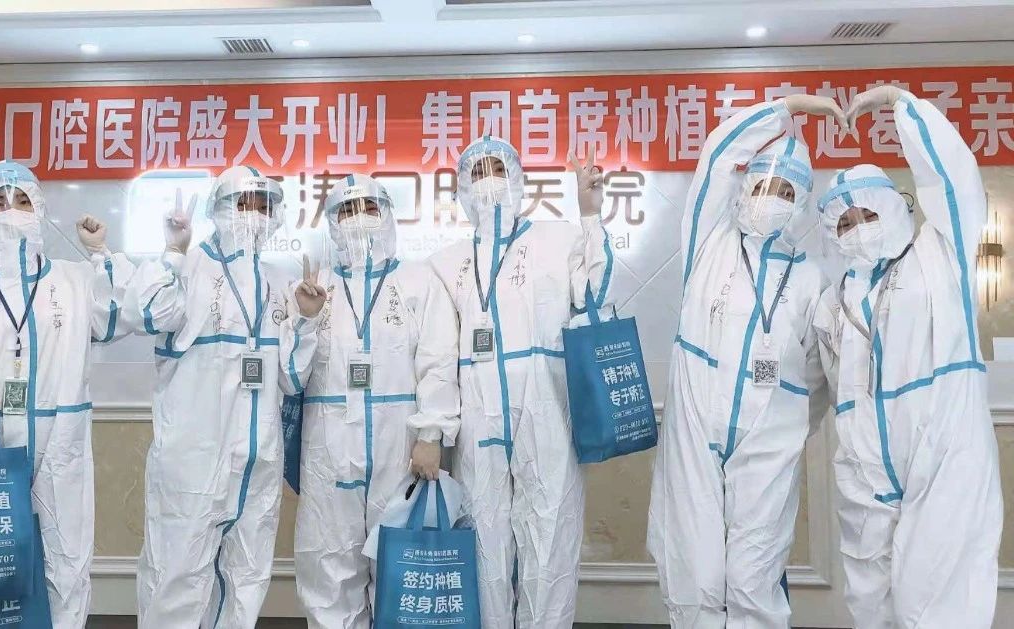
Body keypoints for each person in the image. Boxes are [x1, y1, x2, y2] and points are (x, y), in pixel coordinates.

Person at [645, 94, 844, 627]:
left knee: (753, 577)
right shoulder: (708, 244)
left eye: (785, 191)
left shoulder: (811, 279)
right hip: (695, 432)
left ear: (800, 204)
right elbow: (716, 154)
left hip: (768, 443)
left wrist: (783, 424)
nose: (770, 198)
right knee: (695, 573)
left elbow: (817, 378)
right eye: (762, 185)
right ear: (744, 187)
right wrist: (787, 107)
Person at [812, 85, 1002, 628]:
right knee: (870, 603)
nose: (857, 230)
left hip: (941, 454)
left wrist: (901, 103)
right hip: (864, 469)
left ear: (897, 207)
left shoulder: (939, 256)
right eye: (844, 223)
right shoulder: (834, 301)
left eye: (867, 214)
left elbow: (953, 179)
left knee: (939, 602)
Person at [0, 161, 132, 629]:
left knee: (66, 560)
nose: (11, 213)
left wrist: (101, 254)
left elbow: (120, 317)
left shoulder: (73, 279)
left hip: (61, 440)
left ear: (39, 208)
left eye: (21, 201)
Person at [127, 165, 327, 627]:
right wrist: (173, 253)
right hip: (195, 455)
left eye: (264, 205)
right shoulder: (191, 266)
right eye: (243, 203)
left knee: (247, 575)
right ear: (219, 208)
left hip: (259, 458)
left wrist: (306, 320)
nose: (254, 214)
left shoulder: (279, 281)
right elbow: (149, 314)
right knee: (177, 572)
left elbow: (292, 378)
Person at [426, 136, 611, 627]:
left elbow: (593, 294)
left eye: (498, 170)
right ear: (462, 188)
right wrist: (433, 430)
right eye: (478, 172)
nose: (489, 182)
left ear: (518, 179)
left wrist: (590, 215)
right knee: (483, 543)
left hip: (546, 412)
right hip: (477, 421)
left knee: (550, 539)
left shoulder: (558, 240)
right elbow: (437, 354)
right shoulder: (444, 264)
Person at [292, 174, 460, 628]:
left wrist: (431, 433)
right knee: (328, 566)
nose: (358, 219)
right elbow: (291, 376)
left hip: (398, 445)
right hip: (328, 450)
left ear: (387, 215)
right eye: (346, 211)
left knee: (400, 565)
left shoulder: (417, 280)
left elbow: (438, 360)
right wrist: (305, 321)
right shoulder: (315, 286)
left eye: (369, 208)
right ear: (331, 223)